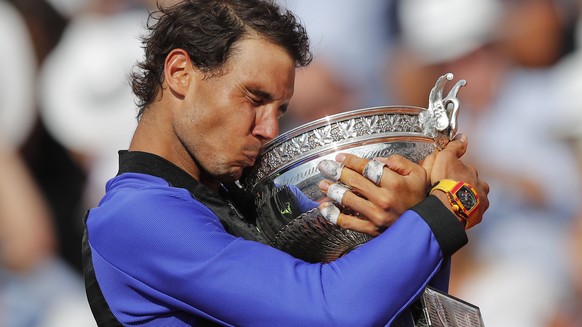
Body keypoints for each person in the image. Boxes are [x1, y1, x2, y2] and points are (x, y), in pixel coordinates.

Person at [82, 0, 489, 326]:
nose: (270, 128)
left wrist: (407, 220)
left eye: (281, 109)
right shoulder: (133, 216)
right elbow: (327, 312)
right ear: (180, 73)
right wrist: (450, 204)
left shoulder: (243, 202)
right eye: (255, 99)